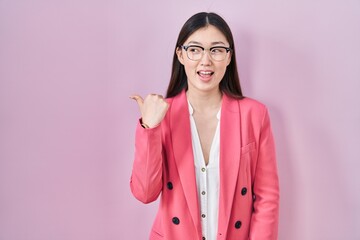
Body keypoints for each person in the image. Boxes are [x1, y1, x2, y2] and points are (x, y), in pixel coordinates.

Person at [130, 12, 279, 240]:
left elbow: (267, 196)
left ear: (229, 57)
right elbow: (145, 193)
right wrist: (150, 128)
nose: (206, 60)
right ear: (180, 54)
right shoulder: (162, 115)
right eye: (195, 49)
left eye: (217, 50)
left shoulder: (255, 114)